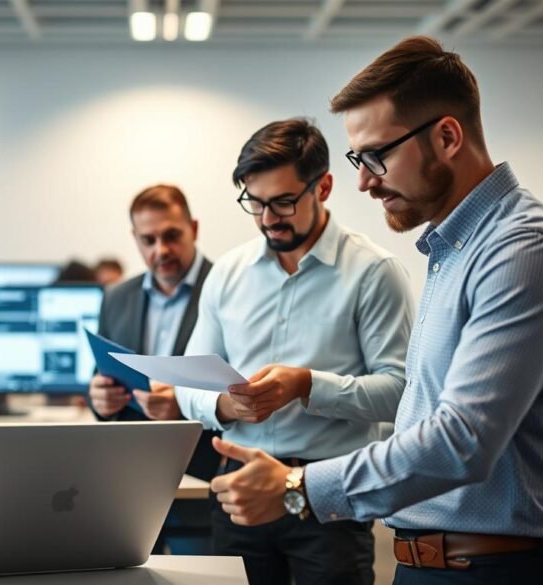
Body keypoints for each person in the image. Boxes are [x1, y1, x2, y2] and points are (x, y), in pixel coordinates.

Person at [208, 36, 543, 585]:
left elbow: (461, 441)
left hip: (496, 569)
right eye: (358, 160)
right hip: (431, 561)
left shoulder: (526, 250)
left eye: (377, 156)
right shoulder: (454, 254)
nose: (365, 182)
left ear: (446, 137)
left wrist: (298, 487)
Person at [170, 118, 414, 585]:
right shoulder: (227, 274)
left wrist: (306, 386)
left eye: (282, 202)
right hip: (237, 494)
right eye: (254, 202)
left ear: (323, 186)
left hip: (328, 499)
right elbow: (187, 380)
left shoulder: (374, 273)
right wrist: (223, 402)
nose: (267, 218)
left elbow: (403, 392)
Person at [88, 184, 219, 554]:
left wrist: (183, 402)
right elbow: (100, 377)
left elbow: (244, 381)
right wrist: (99, 398)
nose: (160, 250)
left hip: (205, 473)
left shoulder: (226, 288)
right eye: (148, 239)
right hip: (130, 482)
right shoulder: (117, 296)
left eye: (171, 236)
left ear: (193, 228)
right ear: (135, 239)